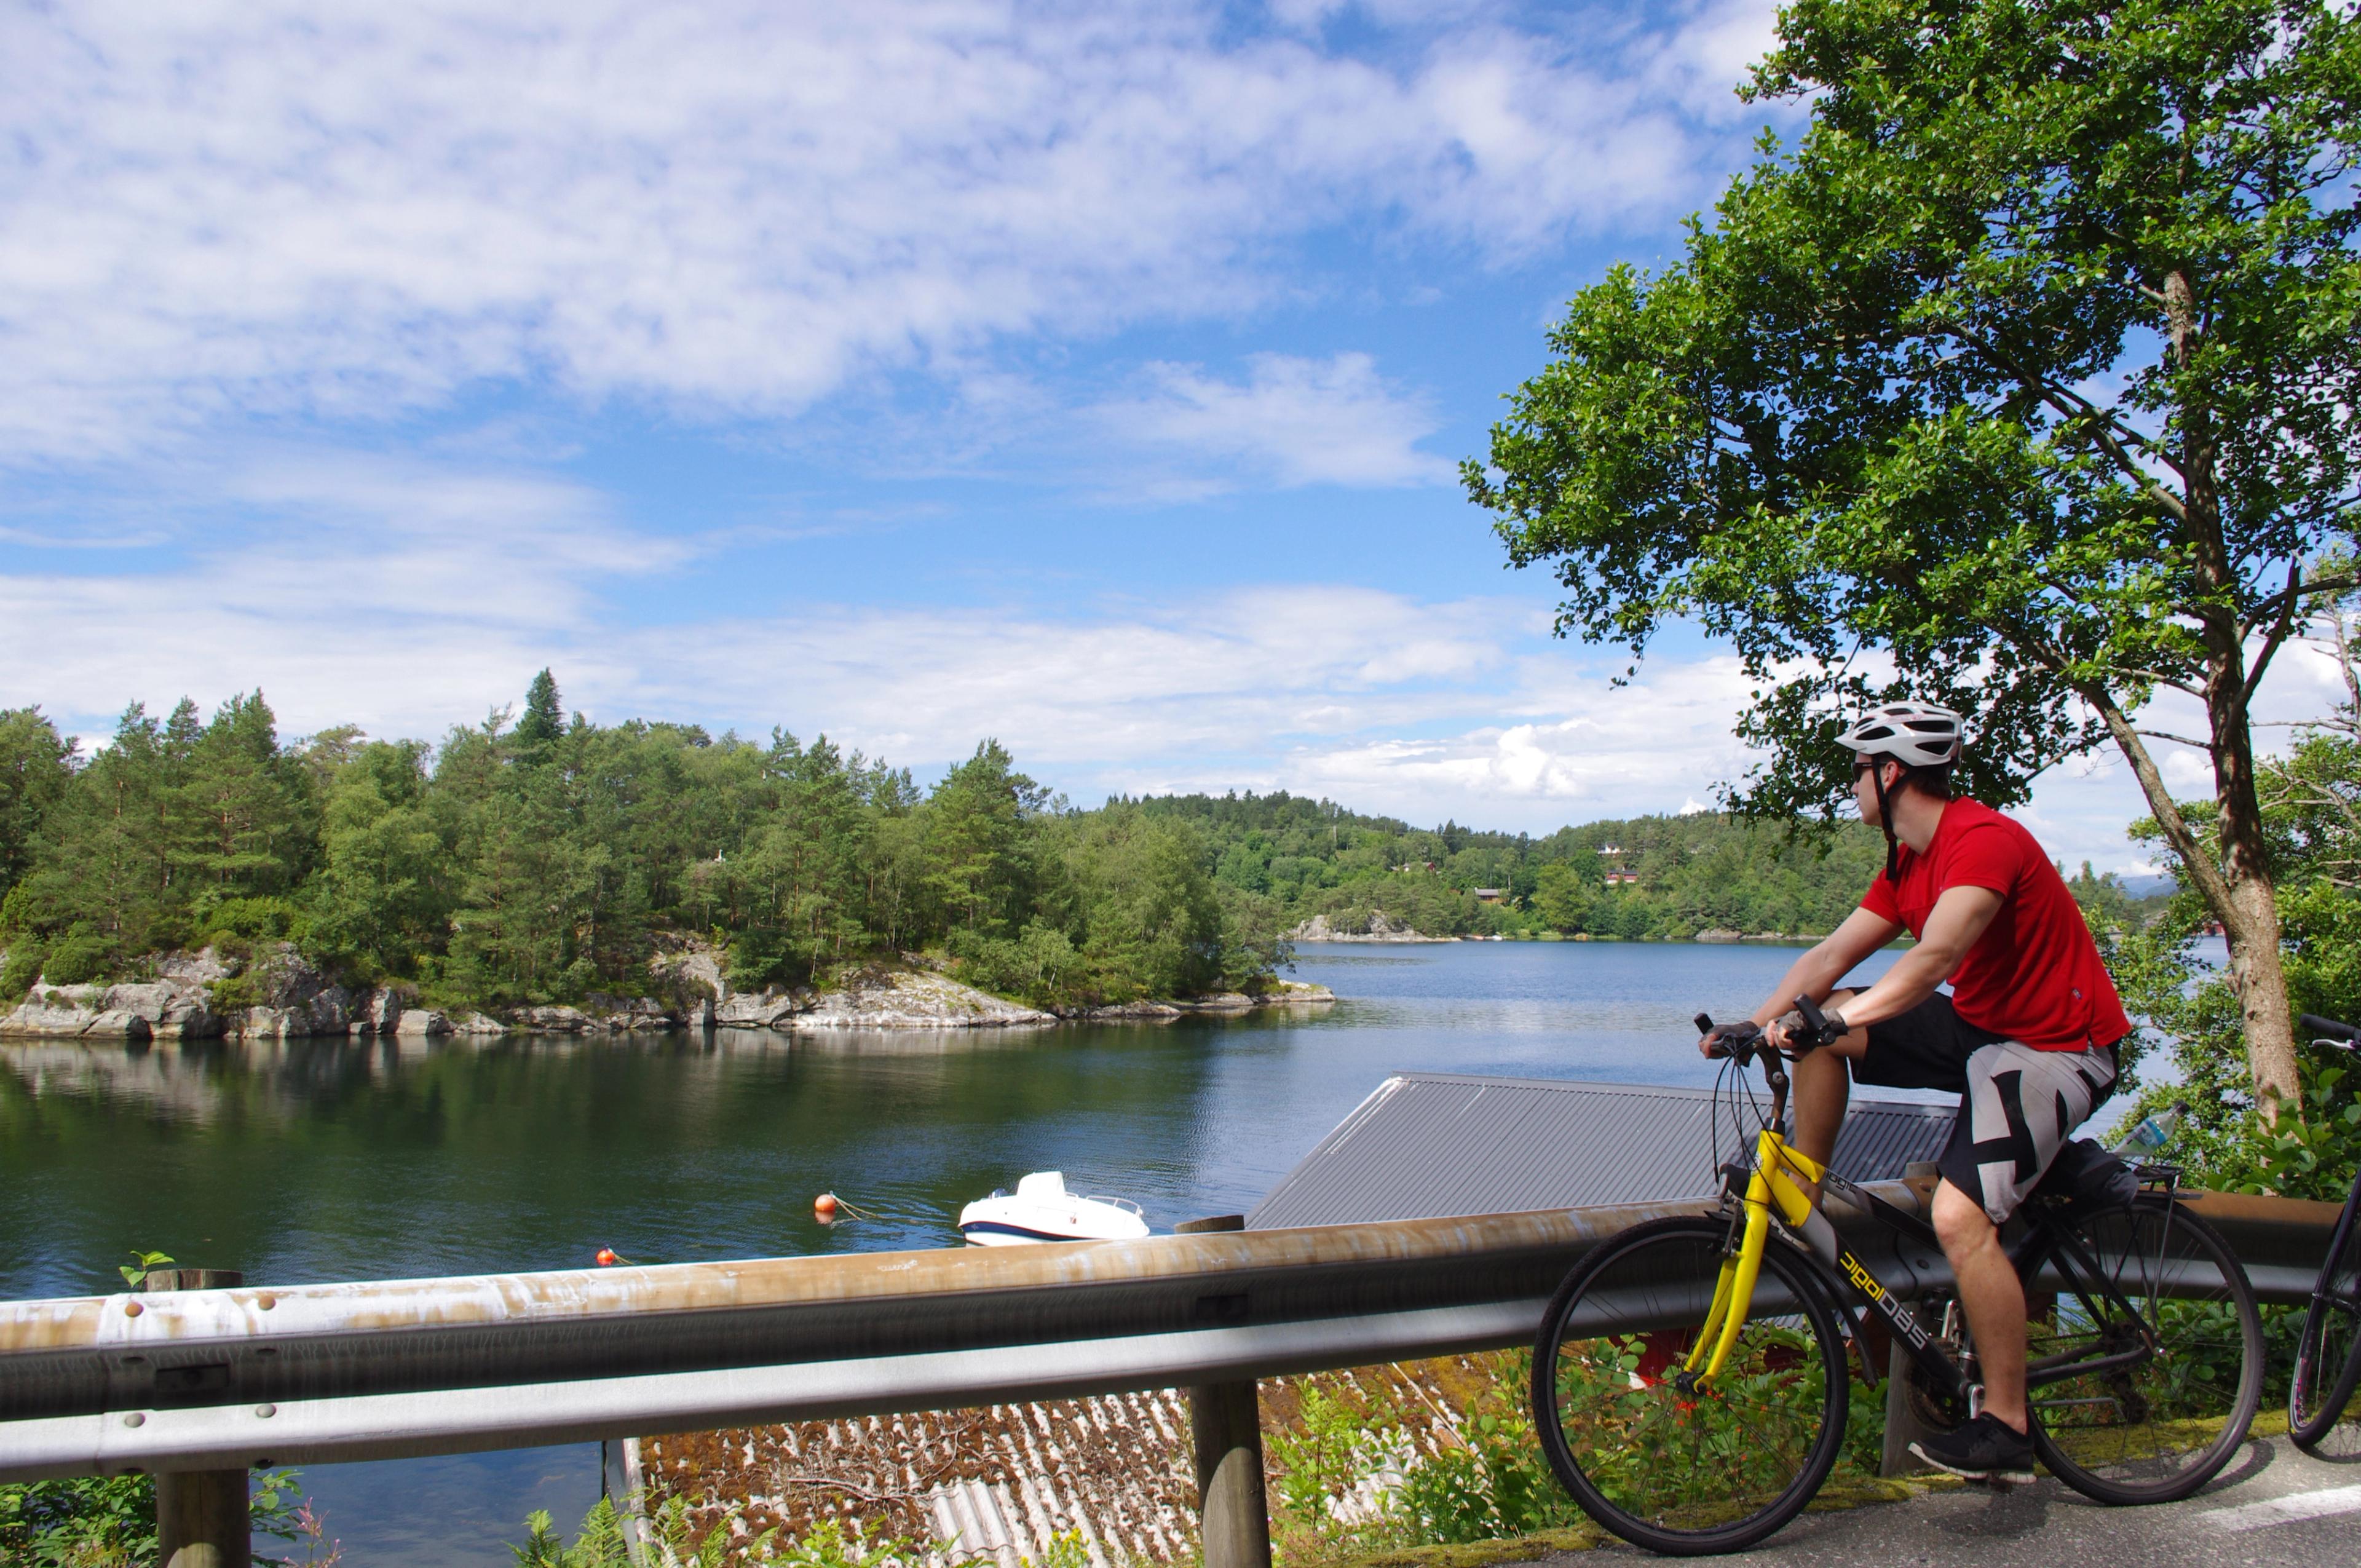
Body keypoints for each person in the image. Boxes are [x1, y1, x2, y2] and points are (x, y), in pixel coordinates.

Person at [1699, 699, 2129, 1482]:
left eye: (1857, 772)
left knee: (1959, 1217)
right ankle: (1806, 1185)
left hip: (2058, 1048)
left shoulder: (1983, 843)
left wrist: (1834, 1022)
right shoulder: (1907, 861)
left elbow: (1932, 960)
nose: (1851, 787)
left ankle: (2006, 1423)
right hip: (1983, 1031)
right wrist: (1752, 1026)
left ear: (1890, 772)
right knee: (1821, 1016)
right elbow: (1829, 958)